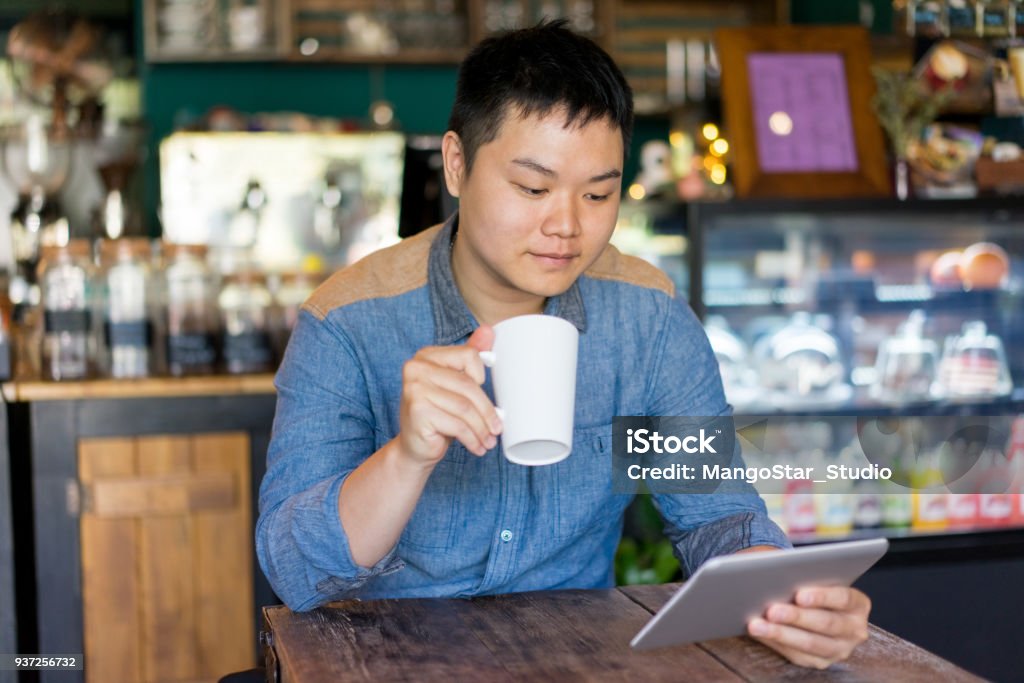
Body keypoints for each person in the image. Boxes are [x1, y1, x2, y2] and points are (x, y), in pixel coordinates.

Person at [257, 20, 871, 669]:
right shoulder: (350, 320)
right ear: (457, 164)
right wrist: (407, 456)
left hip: (576, 659)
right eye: (532, 188)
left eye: (599, 193)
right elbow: (293, 571)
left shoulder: (648, 319)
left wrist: (790, 600)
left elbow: (715, 516)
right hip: (384, 660)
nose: (567, 225)